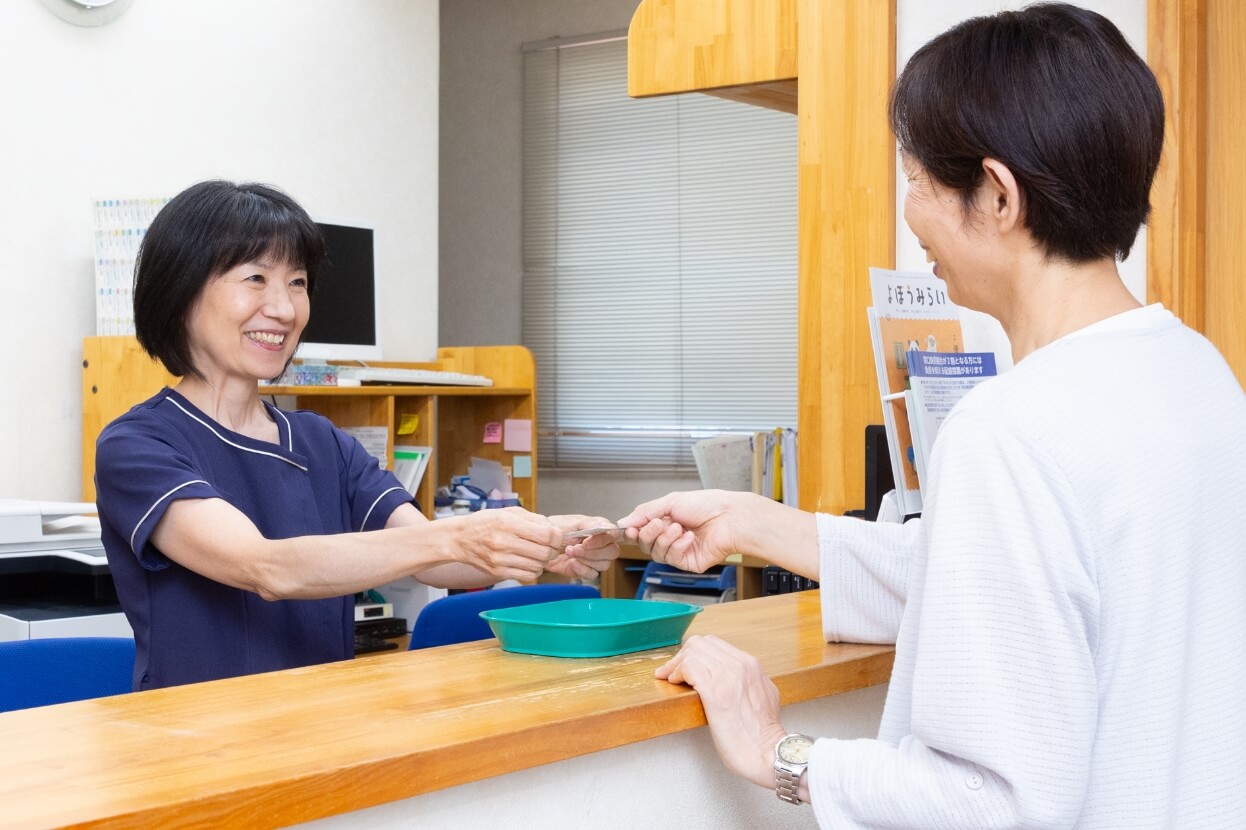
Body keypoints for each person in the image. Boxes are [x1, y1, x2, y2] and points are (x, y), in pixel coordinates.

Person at [618, 5, 1246, 828]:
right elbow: (1013, 589)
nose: (910, 216)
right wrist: (751, 521)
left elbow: (991, 803)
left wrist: (779, 752)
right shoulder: (1196, 374)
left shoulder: (1012, 428)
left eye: (916, 180)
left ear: (997, 195)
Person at [95, 179, 619, 691]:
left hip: (327, 730)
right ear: (181, 290)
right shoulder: (138, 445)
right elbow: (265, 567)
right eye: (255, 278)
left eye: (297, 282)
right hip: (196, 747)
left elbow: (436, 559)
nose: (284, 308)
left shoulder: (321, 441)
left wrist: (549, 542)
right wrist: (455, 534)